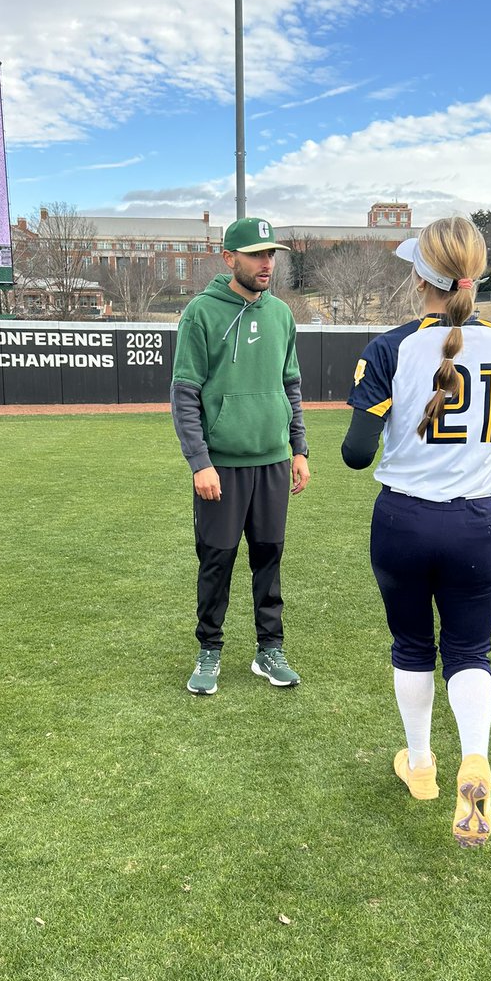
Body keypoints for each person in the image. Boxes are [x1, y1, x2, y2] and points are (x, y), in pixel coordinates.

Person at [341, 216, 491, 846]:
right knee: (470, 653)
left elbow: (355, 453)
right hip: (477, 521)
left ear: (421, 274)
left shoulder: (391, 347)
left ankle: (421, 766)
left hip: (405, 520)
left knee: (413, 645)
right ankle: (473, 759)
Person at [171, 216, 310, 696]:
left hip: (272, 462)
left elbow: (289, 386)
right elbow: (184, 393)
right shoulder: (201, 313)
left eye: (271, 254)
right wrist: (200, 462)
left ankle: (269, 650)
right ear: (229, 258)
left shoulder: (281, 314)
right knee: (217, 560)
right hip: (222, 467)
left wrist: (299, 449)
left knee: (269, 558)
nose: (266, 263)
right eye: (256, 254)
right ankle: (209, 649)